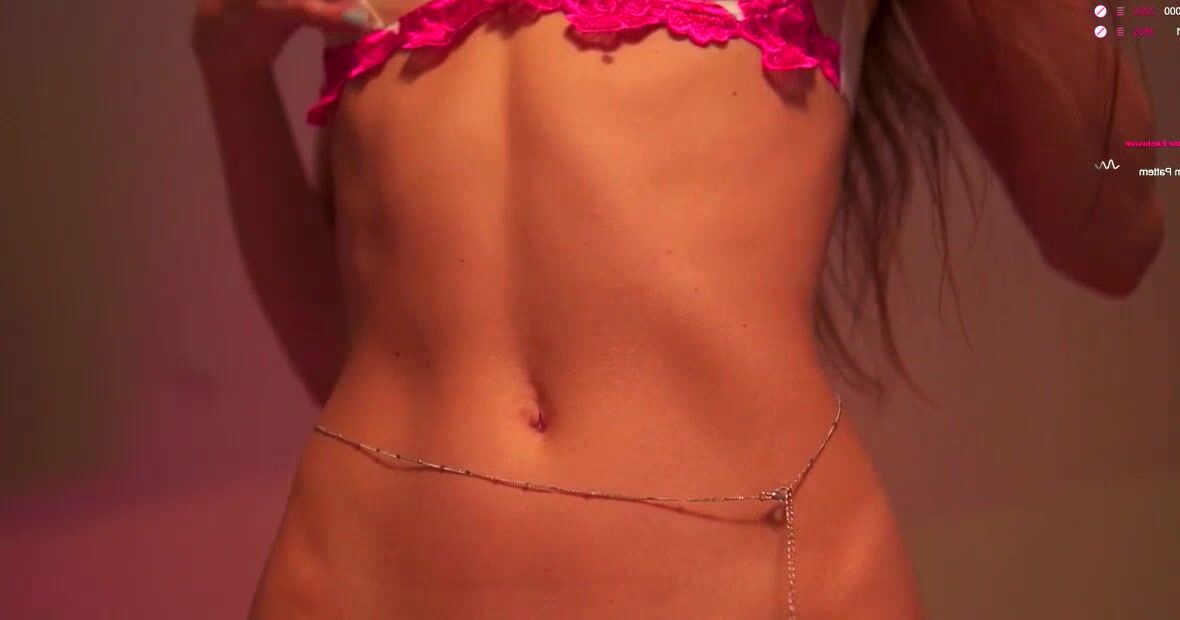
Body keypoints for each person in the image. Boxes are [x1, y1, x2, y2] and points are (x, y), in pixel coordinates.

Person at [191, 0, 1163, 617]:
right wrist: (229, 69)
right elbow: (348, 360)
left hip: (750, 588)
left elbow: (1119, 228)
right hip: (363, 579)